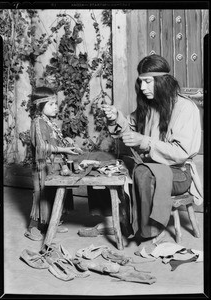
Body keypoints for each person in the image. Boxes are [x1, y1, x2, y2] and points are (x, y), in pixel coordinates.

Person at [78, 54, 203, 247]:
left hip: (177, 172)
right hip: (147, 165)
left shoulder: (186, 108)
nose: (142, 88)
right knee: (97, 159)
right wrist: (115, 118)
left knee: (143, 172)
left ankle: (149, 229)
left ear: (162, 81)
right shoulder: (149, 105)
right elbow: (129, 128)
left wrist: (144, 141)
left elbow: (181, 151)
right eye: (141, 82)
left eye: (147, 82)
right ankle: (110, 219)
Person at [25, 86, 82, 241]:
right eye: (51, 104)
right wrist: (63, 148)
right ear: (40, 106)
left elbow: (54, 141)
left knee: (53, 193)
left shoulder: (50, 122)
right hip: (42, 166)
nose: (56, 107)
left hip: (54, 165)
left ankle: (52, 222)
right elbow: (41, 146)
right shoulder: (38, 122)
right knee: (41, 194)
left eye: (56, 103)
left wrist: (68, 143)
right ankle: (33, 227)